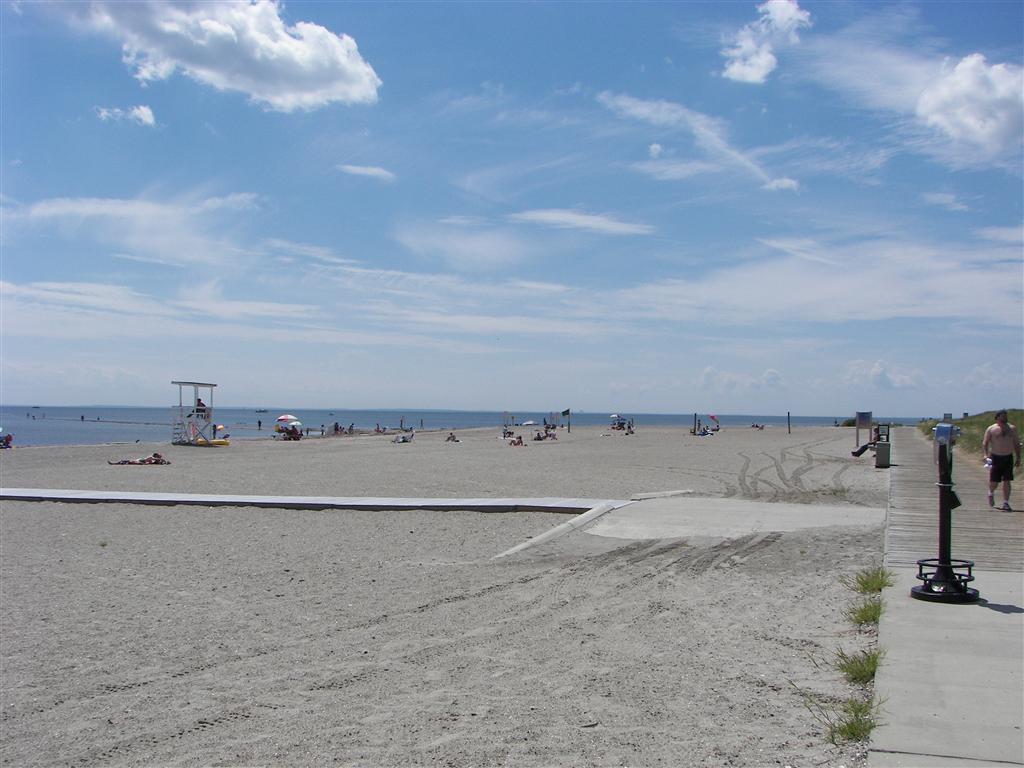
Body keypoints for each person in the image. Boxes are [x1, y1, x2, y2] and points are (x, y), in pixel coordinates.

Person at [983, 410, 1021, 511]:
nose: (1005, 418)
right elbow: (985, 443)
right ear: (997, 417)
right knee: (994, 482)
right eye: (1002, 416)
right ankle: (990, 493)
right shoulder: (991, 429)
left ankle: (1006, 502)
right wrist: (985, 455)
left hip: (1008, 457)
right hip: (996, 457)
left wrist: (1018, 457)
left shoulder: (1012, 429)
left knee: (1007, 480)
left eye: (1006, 416)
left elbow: (1017, 444)